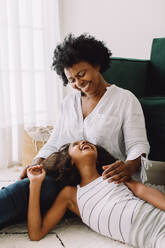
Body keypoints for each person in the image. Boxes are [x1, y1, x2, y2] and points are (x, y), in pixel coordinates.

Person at [0, 33, 150, 228]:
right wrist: (36, 161)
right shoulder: (69, 102)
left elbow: (138, 144)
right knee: (20, 191)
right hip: (66, 173)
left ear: (97, 65)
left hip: (100, 180)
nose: (78, 83)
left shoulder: (124, 99)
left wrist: (128, 167)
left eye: (81, 74)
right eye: (71, 79)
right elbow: (55, 141)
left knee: (26, 196)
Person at [27, 140, 165, 248]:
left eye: (87, 142)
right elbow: (35, 234)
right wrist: (35, 184)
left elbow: (142, 190)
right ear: (70, 160)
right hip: (154, 239)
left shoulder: (112, 174)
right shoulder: (71, 195)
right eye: (76, 144)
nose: (83, 143)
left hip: (159, 219)